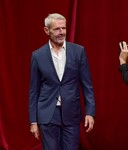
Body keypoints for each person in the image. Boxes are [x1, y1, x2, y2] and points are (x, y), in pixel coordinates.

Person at [29, 13, 95, 150]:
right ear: (46, 31)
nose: (61, 32)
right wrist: (33, 121)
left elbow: (87, 85)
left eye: (64, 28)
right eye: (57, 29)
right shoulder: (37, 55)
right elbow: (34, 90)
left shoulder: (78, 51)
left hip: (71, 112)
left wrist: (90, 112)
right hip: (48, 114)